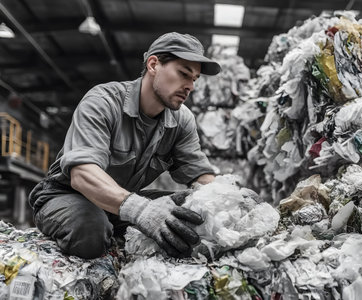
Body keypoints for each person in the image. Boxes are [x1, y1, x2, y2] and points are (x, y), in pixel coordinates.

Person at [28, 32, 222, 259]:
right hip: (68, 196)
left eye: (194, 79)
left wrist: (228, 198)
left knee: (191, 208)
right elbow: (82, 174)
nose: (190, 86)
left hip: (122, 202)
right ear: (153, 64)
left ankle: (117, 229)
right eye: (183, 74)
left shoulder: (182, 120)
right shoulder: (103, 102)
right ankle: (91, 229)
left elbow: (199, 175)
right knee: (90, 229)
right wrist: (141, 211)